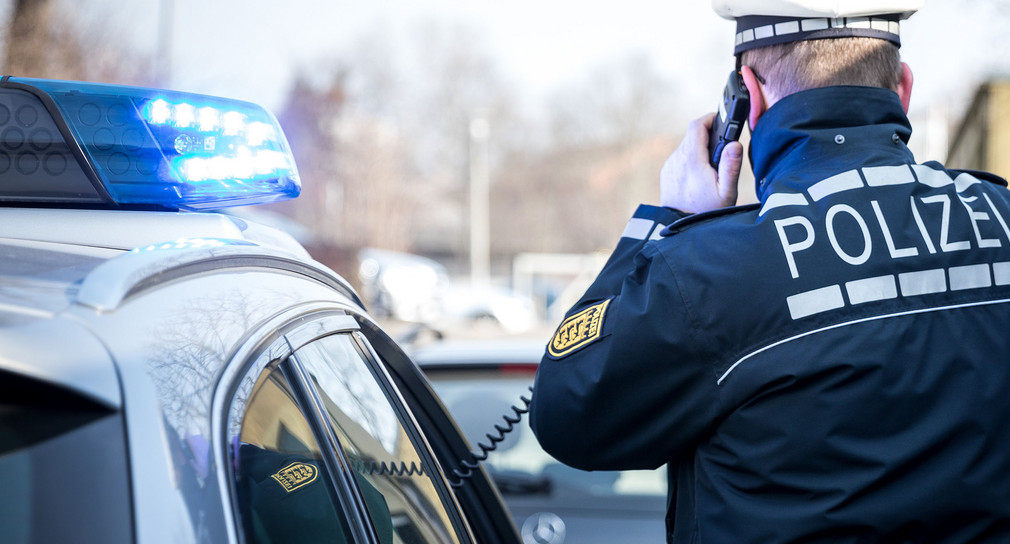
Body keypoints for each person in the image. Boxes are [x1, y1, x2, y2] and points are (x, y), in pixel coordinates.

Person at [529, 0, 1010, 542]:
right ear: (902, 88)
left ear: (746, 100)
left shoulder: (708, 272)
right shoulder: (1001, 215)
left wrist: (667, 222)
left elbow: (567, 415)